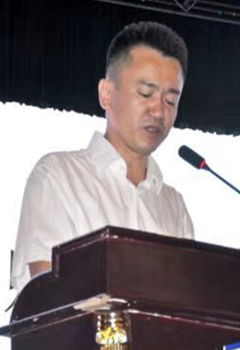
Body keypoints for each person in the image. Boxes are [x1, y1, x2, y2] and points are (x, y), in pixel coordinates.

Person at [11, 21, 195, 292]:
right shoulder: (58, 177)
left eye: (170, 100)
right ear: (106, 94)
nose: (158, 111)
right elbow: (48, 295)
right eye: (146, 93)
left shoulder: (174, 205)